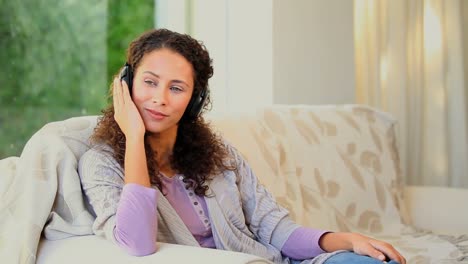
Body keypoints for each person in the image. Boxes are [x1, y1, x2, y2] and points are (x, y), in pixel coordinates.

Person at [78, 28, 406, 264]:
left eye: (176, 88)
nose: (159, 99)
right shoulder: (101, 162)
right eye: (149, 82)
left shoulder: (220, 156)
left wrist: (348, 240)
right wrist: (134, 137)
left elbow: (274, 228)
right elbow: (136, 245)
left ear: (195, 101)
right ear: (126, 83)